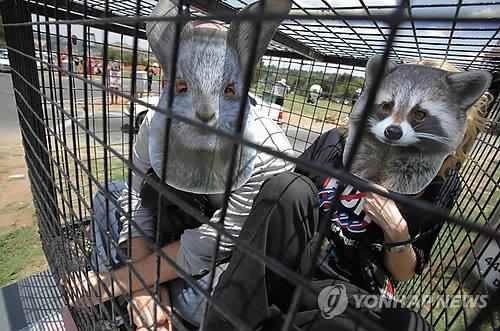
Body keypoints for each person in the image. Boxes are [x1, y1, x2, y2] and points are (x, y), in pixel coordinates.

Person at [204, 59, 493, 330]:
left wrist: (396, 230)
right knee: (287, 187)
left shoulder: (439, 185)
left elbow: (403, 273)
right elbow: (279, 207)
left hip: (342, 284)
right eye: (386, 106)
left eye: (419, 115)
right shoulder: (334, 142)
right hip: (293, 255)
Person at [66, 1, 293, 330]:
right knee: (108, 197)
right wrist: (147, 287)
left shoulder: (266, 148)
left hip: (216, 254)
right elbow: (133, 195)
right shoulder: (156, 119)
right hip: (170, 229)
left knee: (201, 303)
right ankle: (145, 301)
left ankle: (122, 295)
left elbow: (207, 246)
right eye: (186, 85)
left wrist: (116, 282)